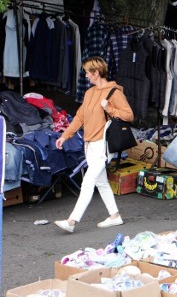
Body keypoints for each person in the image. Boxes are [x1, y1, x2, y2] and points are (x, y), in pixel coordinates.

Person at [54, 56, 134, 233]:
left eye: (87, 73)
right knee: (101, 182)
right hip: (89, 144)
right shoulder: (89, 93)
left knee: (88, 181)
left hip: (103, 145)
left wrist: (109, 109)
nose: (86, 76)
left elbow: (129, 115)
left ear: (96, 73)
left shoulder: (114, 92)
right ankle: (115, 216)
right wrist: (65, 136)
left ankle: (72, 221)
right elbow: (80, 117)